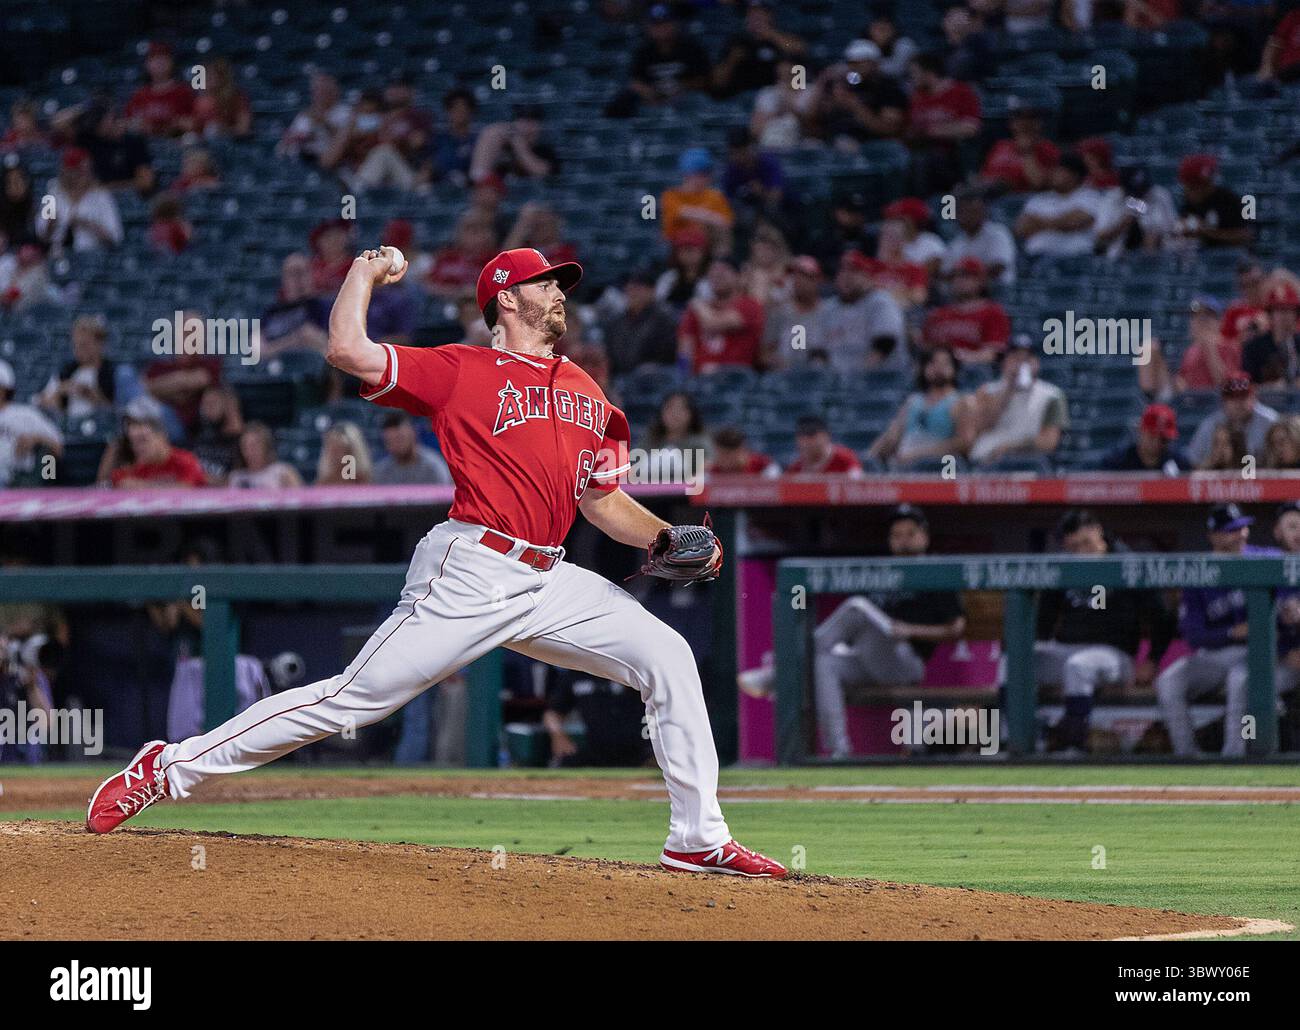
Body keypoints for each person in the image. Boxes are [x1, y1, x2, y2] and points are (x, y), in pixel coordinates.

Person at [87, 243, 789, 879]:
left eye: (560, 283)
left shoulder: (588, 391)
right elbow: (347, 351)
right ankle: (168, 768)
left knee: (667, 656)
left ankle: (697, 837)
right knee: (350, 698)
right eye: (546, 283)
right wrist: (363, 269)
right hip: (472, 567)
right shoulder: (461, 369)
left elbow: (602, 501)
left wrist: (662, 538)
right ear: (506, 298)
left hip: (549, 576)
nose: (560, 293)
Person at [813, 505, 965, 758]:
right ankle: (840, 751)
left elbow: (957, 629)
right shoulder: (882, 572)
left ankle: (788, 665)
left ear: (924, 537)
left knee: (857, 607)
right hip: (871, 658)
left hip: (907, 661)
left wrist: (910, 630)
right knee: (826, 662)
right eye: (896, 535)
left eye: (910, 533)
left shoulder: (937, 571)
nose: (903, 541)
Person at [1027, 510, 1176, 753]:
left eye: (1085, 543)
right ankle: (1014, 740)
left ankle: (1074, 745)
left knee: (1079, 666)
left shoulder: (1127, 563)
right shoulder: (1066, 566)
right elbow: (1043, 621)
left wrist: (1152, 659)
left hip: (1114, 655)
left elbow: (1164, 616)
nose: (1080, 551)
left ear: (1098, 531)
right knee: (1016, 662)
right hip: (1067, 650)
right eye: (1074, 546)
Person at [1155, 504, 1267, 758]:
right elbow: (1193, 636)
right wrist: (1230, 633)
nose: (1242, 535)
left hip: (1254, 654)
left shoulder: (1265, 558)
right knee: (1168, 681)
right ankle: (1188, 755)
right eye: (1232, 530)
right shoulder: (1200, 572)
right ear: (1213, 536)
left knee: (1240, 680)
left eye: (1243, 527)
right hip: (1215, 654)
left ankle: (1233, 756)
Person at [967, 337, 1069, 467]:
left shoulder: (1053, 395)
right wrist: (1008, 390)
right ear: (1004, 362)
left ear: (1036, 363)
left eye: (1026, 359)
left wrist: (1008, 448)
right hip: (985, 462)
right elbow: (975, 432)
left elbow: (1049, 441)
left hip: (1028, 464)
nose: (1020, 364)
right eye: (1015, 358)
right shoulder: (986, 392)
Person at [869, 347, 970, 470]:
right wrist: (868, 459)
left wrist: (920, 454)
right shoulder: (912, 402)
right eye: (933, 363)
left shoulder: (961, 402)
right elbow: (892, 436)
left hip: (944, 467)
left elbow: (964, 443)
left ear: (954, 368)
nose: (939, 368)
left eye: (945, 363)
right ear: (924, 368)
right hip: (907, 465)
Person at [606, 3, 711, 118]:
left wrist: (680, 89)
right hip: (652, 100)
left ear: (675, 24)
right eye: (656, 24)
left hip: (686, 101)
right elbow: (635, 82)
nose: (661, 29)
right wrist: (653, 94)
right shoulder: (643, 52)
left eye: (665, 23)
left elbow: (704, 79)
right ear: (648, 27)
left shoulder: (692, 49)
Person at [543, 667, 653, 768]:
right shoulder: (576, 674)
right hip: (597, 749)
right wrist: (558, 735)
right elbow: (553, 713)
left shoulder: (628, 668)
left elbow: (654, 706)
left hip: (639, 749)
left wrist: (654, 744)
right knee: (567, 762)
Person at [905, 52, 981, 193]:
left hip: (954, 154)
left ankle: (943, 210)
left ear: (929, 72)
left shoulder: (961, 91)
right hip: (921, 152)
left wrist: (932, 131)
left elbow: (971, 127)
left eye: (915, 73)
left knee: (924, 162)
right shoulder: (917, 97)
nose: (912, 78)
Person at [808, 39, 907, 146]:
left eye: (860, 63)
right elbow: (811, 120)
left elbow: (889, 130)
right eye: (851, 63)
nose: (854, 67)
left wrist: (855, 106)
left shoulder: (889, 88)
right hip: (833, 139)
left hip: (871, 144)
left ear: (874, 63)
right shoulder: (845, 84)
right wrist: (822, 82)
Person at [819, 251, 906, 372]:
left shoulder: (881, 302)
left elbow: (884, 345)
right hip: (839, 383)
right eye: (842, 271)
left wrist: (860, 376)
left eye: (854, 271)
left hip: (882, 380)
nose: (846, 276)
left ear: (868, 277)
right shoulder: (828, 308)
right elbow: (818, 350)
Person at [676, 259, 764, 374]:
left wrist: (697, 305)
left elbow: (712, 324)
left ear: (738, 277)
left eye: (723, 272)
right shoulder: (695, 311)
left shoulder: (750, 305)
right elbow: (685, 350)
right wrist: (683, 378)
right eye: (712, 273)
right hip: (699, 380)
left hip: (736, 380)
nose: (716, 276)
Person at [920, 258, 1010, 364]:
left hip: (973, 372)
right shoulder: (937, 314)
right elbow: (925, 349)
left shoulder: (993, 312)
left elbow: (993, 354)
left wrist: (959, 357)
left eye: (966, 276)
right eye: (955, 276)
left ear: (981, 281)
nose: (959, 280)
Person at [1013, 153, 1103, 258]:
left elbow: (1073, 222)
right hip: (1036, 259)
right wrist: (1058, 223)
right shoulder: (1039, 199)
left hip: (1076, 260)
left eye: (1059, 171)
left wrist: (1038, 223)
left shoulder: (1090, 196)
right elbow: (1020, 229)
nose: (1053, 174)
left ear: (1074, 175)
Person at [35, 146, 122, 255]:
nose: (78, 175)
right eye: (74, 170)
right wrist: (52, 223)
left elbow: (116, 236)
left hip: (93, 257)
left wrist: (88, 224)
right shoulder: (51, 196)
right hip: (59, 256)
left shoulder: (102, 196)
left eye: (82, 170)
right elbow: (41, 235)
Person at [712, 1, 807, 98]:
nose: (754, 18)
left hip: (777, 95)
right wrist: (732, 61)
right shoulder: (737, 42)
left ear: (770, 15)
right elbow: (717, 82)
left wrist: (769, 34)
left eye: (759, 13)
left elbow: (799, 50)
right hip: (741, 97)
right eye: (750, 13)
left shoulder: (781, 37)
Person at [1186, 375, 1278, 467]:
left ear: (1254, 397)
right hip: (1222, 478)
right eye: (1232, 398)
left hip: (1264, 476)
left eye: (1243, 396)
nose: (1238, 403)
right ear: (1224, 401)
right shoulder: (1210, 425)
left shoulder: (1269, 421)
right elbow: (1194, 460)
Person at [36, 314, 116, 420]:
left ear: (99, 344)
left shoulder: (113, 372)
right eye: (75, 345)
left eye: (84, 345)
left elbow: (118, 409)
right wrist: (60, 391)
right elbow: (43, 402)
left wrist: (88, 393)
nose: (79, 350)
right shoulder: (66, 371)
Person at [602, 268, 679, 375]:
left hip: (654, 376)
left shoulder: (665, 318)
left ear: (652, 291)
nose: (632, 292)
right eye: (630, 288)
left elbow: (666, 355)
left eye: (638, 288)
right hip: (619, 377)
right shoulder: (616, 321)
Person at [0, 358, 63, 487]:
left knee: (47, 454)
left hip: (19, 481)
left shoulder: (25, 414)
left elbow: (57, 446)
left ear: (4, 389)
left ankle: (46, 489)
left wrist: (35, 439)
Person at [1093, 165, 1178, 259]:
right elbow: (1100, 236)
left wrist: (1158, 236)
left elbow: (1174, 230)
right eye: (1135, 191)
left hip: (1158, 253)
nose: (1140, 195)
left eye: (1143, 190)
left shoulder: (1161, 194)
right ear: (1123, 188)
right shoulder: (1111, 198)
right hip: (1118, 254)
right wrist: (1124, 223)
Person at [978, 99, 1059, 194]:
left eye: (1030, 118)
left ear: (1039, 123)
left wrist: (1027, 152)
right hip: (990, 194)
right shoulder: (1001, 145)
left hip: (1022, 199)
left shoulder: (1047, 148)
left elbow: (1039, 184)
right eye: (1019, 117)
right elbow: (984, 176)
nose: (1024, 123)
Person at [109, 409, 207, 488]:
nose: (137, 448)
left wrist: (144, 486)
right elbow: (116, 480)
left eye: (143, 440)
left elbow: (187, 489)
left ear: (161, 437)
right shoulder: (139, 467)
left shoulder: (185, 460)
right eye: (133, 442)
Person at [1173, 153, 1252, 250]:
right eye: (1193, 187)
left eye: (1205, 184)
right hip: (1197, 258)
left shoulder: (1230, 200)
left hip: (1230, 258)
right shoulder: (1187, 204)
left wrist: (1205, 232)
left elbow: (1245, 236)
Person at [940, 187, 1016, 286]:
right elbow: (945, 273)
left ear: (983, 212)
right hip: (964, 295)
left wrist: (968, 275)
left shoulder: (998, 233)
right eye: (964, 212)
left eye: (973, 212)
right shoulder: (957, 242)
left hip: (997, 291)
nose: (969, 217)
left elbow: (999, 267)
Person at [660, 148, 734, 249]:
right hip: (678, 250)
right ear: (686, 174)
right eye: (700, 174)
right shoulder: (671, 196)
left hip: (706, 250)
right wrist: (708, 216)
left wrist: (705, 218)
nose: (705, 178)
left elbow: (726, 223)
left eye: (707, 173)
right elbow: (682, 212)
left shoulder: (715, 196)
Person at [762, 254, 827, 367]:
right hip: (785, 379)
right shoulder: (779, 312)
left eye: (804, 276)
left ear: (817, 280)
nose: (797, 281)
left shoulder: (829, 311)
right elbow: (764, 354)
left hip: (820, 378)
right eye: (794, 276)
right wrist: (775, 362)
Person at [467, 104, 558, 183]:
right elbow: (477, 176)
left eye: (533, 121)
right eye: (523, 120)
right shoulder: (502, 149)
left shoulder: (545, 151)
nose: (528, 127)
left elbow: (543, 174)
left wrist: (518, 144)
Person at [123, 42, 195, 137]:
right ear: (147, 64)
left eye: (163, 58)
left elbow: (192, 123)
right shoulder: (139, 95)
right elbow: (128, 123)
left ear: (171, 62)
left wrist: (173, 125)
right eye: (154, 59)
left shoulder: (184, 92)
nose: (159, 63)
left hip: (177, 143)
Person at [1100, 403, 1192, 474]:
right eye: (1152, 436)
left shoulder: (1180, 464)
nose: (1157, 443)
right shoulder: (1117, 462)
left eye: (1163, 439)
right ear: (1141, 431)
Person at [1174, 295, 1241, 392]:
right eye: (1196, 316)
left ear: (1220, 321)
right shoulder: (1191, 350)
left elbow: (1228, 386)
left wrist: (1210, 347)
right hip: (1194, 402)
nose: (1200, 321)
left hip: (1218, 402)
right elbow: (1183, 383)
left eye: (1207, 316)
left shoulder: (1230, 346)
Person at [1241, 283, 1300, 389]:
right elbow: (1247, 384)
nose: (1284, 316)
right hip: (1266, 401)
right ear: (1270, 314)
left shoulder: (1297, 343)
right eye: (1279, 310)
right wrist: (1270, 388)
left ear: (1296, 314)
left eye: (1289, 310)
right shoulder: (1253, 347)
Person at [373, 411, 452, 486]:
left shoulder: (432, 467)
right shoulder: (382, 472)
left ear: (412, 434)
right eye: (390, 441)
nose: (397, 445)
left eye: (400, 439)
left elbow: (445, 498)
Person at [227, 422, 303, 489]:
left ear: (266, 446)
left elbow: (301, 499)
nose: (250, 451)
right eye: (245, 446)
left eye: (254, 445)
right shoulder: (236, 477)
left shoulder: (283, 472)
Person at [783, 415, 864, 476]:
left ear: (826, 436)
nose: (805, 441)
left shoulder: (845, 459)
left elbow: (858, 487)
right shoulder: (795, 468)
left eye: (811, 434)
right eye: (801, 435)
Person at [315, 421, 374, 485]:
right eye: (334, 451)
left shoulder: (367, 481)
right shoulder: (323, 483)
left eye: (345, 450)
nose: (339, 457)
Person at [706, 426, 778, 476]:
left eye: (729, 455)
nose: (726, 461)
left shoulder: (763, 467)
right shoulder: (710, 472)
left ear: (742, 451)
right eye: (722, 455)